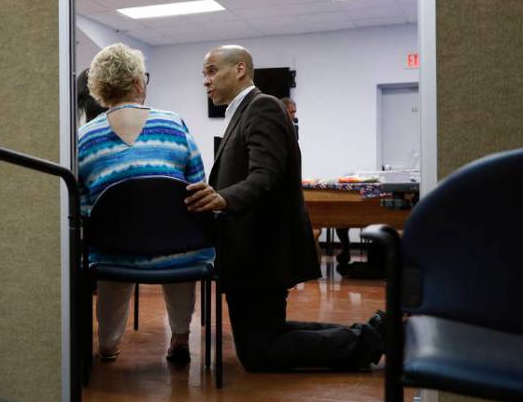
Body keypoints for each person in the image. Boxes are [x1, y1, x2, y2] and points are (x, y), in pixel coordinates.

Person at [185, 45, 383, 371]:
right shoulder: (244, 112)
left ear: (239, 69)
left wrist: (224, 198)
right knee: (265, 338)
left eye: (211, 71)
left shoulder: (262, 107)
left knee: (260, 352)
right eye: (203, 74)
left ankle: (369, 340)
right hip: (250, 251)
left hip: (260, 251)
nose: (205, 81)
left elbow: (266, 176)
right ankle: (368, 334)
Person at [78, 43, 213, 364]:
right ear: (139, 83)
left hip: (116, 253)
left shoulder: (84, 137)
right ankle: (180, 336)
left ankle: (108, 345)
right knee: (181, 253)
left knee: (110, 259)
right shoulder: (174, 124)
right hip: (179, 250)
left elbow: (83, 206)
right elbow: (198, 188)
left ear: (99, 90)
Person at [281, 95, 353, 273]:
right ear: (283, 111)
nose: (294, 116)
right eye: (291, 112)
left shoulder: (292, 129)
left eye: (295, 112)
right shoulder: (279, 129)